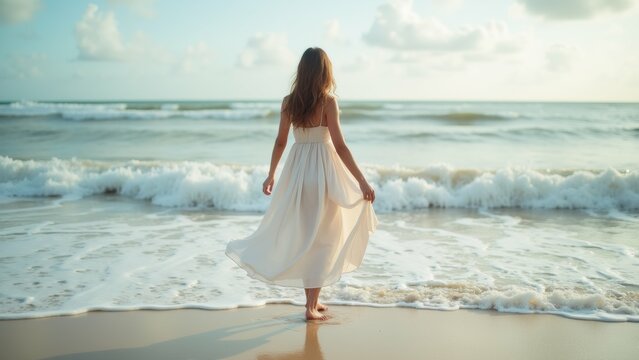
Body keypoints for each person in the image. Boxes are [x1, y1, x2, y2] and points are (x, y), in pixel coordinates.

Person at [225, 47, 378, 321]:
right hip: (323, 174)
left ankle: (313, 302)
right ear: (325, 73)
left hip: (297, 173)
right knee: (324, 239)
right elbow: (341, 147)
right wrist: (362, 181)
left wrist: (271, 174)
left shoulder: (288, 102)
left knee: (307, 235)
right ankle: (310, 306)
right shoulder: (328, 102)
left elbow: (281, 142)